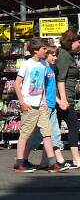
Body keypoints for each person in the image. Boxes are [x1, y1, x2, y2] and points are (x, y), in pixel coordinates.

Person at [14, 37, 63, 173]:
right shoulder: (27, 64)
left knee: (47, 133)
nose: (46, 51)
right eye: (44, 49)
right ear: (36, 50)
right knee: (25, 134)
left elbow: (42, 85)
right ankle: (19, 163)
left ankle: (52, 162)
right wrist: (22, 101)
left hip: (41, 105)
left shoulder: (43, 64)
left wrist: (44, 101)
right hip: (29, 105)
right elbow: (17, 84)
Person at [24, 46, 68, 168]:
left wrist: (58, 102)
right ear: (46, 55)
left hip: (51, 106)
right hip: (44, 106)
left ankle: (56, 161)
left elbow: (51, 90)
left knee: (52, 134)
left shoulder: (51, 69)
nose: (55, 57)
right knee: (37, 135)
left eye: (56, 55)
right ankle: (23, 159)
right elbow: (38, 88)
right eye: (53, 55)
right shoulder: (43, 69)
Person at [56, 29, 80, 168]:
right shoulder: (64, 56)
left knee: (52, 130)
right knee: (73, 127)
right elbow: (61, 79)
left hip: (64, 97)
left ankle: (47, 160)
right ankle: (76, 159)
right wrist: (63, 100)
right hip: (64, 99)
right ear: (71, 41)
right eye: (78, 41)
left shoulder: (68, 55)